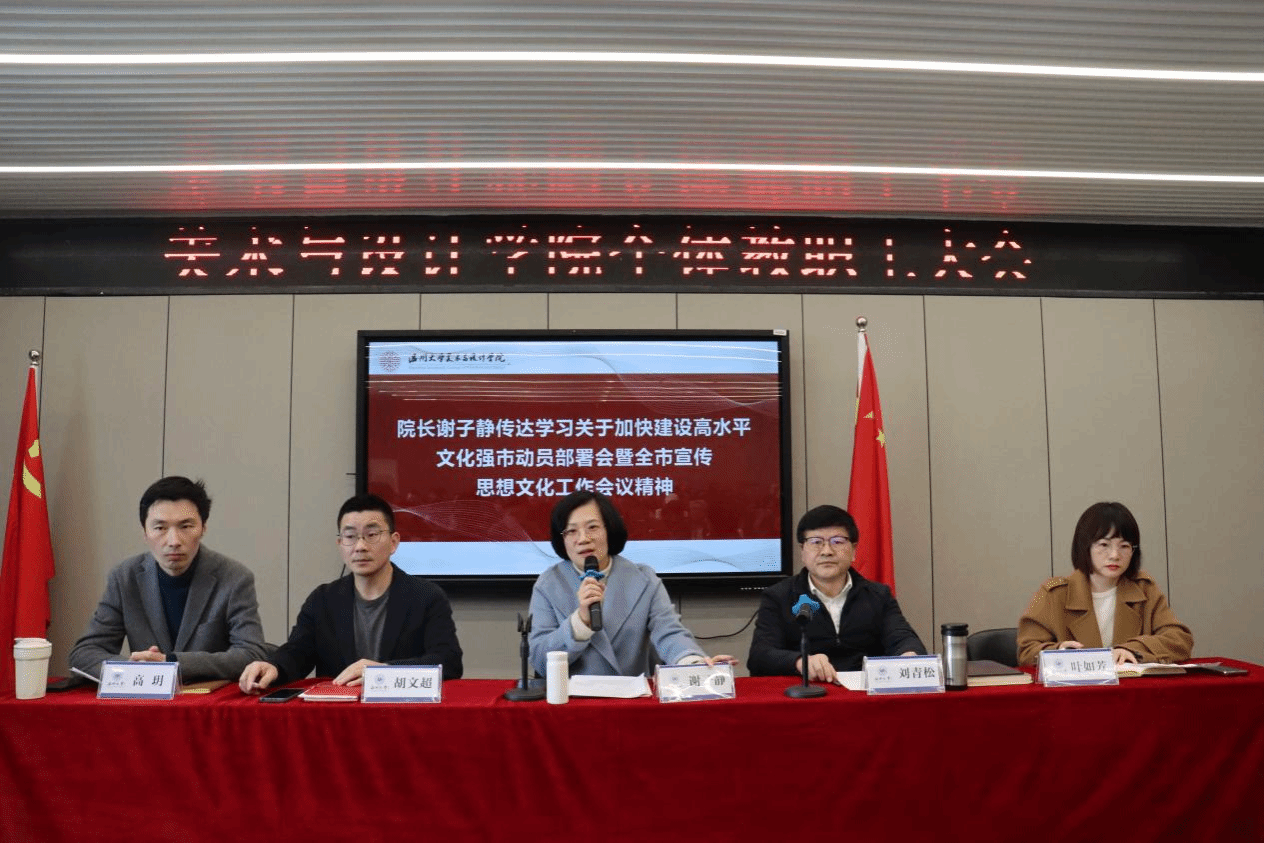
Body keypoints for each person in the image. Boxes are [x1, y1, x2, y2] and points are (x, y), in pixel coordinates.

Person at [238, 493, 462, 692]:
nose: (360, 546)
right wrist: (273, 667)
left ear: (394, 542)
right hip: (339, 715)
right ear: (340, 544)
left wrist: (384, 672)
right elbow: (297, 653)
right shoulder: (323, 600)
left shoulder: (426, 596)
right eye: (350, 536)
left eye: (372, 534)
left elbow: (448, 661)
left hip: (402, 712)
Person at [68, 476, 267, 682]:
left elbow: (252, 653)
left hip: (206, 697)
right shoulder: (124, 577)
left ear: (203, 527)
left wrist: (171, 662)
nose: (174, 541)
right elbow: (84, 654)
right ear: (145, 532)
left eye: (186, 526)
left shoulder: (234, 577)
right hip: (146, 697)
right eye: (160, 528)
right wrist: (137, 669)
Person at [528, 489, 736, 677]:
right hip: (574, 700)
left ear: (609, 530)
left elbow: (668, 632)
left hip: (633, 697)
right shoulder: (548, 585)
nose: (583, 539)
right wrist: (580, 623)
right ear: (562, 539)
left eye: (592, 527)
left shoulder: (644, 579)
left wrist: (692, 663)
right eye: (571, 531)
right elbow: (539, 660)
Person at [747, 505, 925, 682]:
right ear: (802, 551)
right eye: (816, 542)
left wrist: (909, 655)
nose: (827, 551)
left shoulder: (878, 595)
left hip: (863, 693)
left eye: (837, 541)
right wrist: (800, 662)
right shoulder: (779, 596)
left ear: (854, 550)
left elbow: (904, 639)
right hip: (808, 692)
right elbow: (760, 656)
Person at [1017, 501, 1193, 666]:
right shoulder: (1055, 594)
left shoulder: (1144, 589)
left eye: (1124, 546)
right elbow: (1026, 652)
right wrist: (1060, 652)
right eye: (1104, 545)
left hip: (1131, 686)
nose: (1115, 555)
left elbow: (1180, 640)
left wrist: (1132, 649)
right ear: (1085, 548)